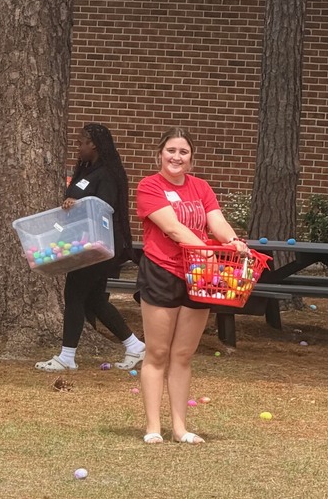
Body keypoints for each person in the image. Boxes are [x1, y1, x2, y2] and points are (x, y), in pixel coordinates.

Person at [135, 127, 248, 444]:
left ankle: (180, 428)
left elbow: (217, 221)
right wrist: (210, 254)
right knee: (157, 352)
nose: (176, 157)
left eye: (183, 152)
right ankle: (153, 428)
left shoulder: (200, 187)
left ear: (191, 158)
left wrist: (232, 241)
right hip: (163, 271)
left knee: (183, 354)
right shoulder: (150, 186)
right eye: (171, 150)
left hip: (200, 274)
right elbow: (172, 229)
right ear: (160, 153)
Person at [35, 124, 145, 373]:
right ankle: (135, 346)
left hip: (98, 246)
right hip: (84, 244)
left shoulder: (106, 174)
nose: (78, 147)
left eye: (81, 142)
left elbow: (104, 206)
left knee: (74, 295)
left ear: (93, 144)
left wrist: (80, 202)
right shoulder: (87, 171)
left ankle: (67, 357)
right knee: (93, 299)